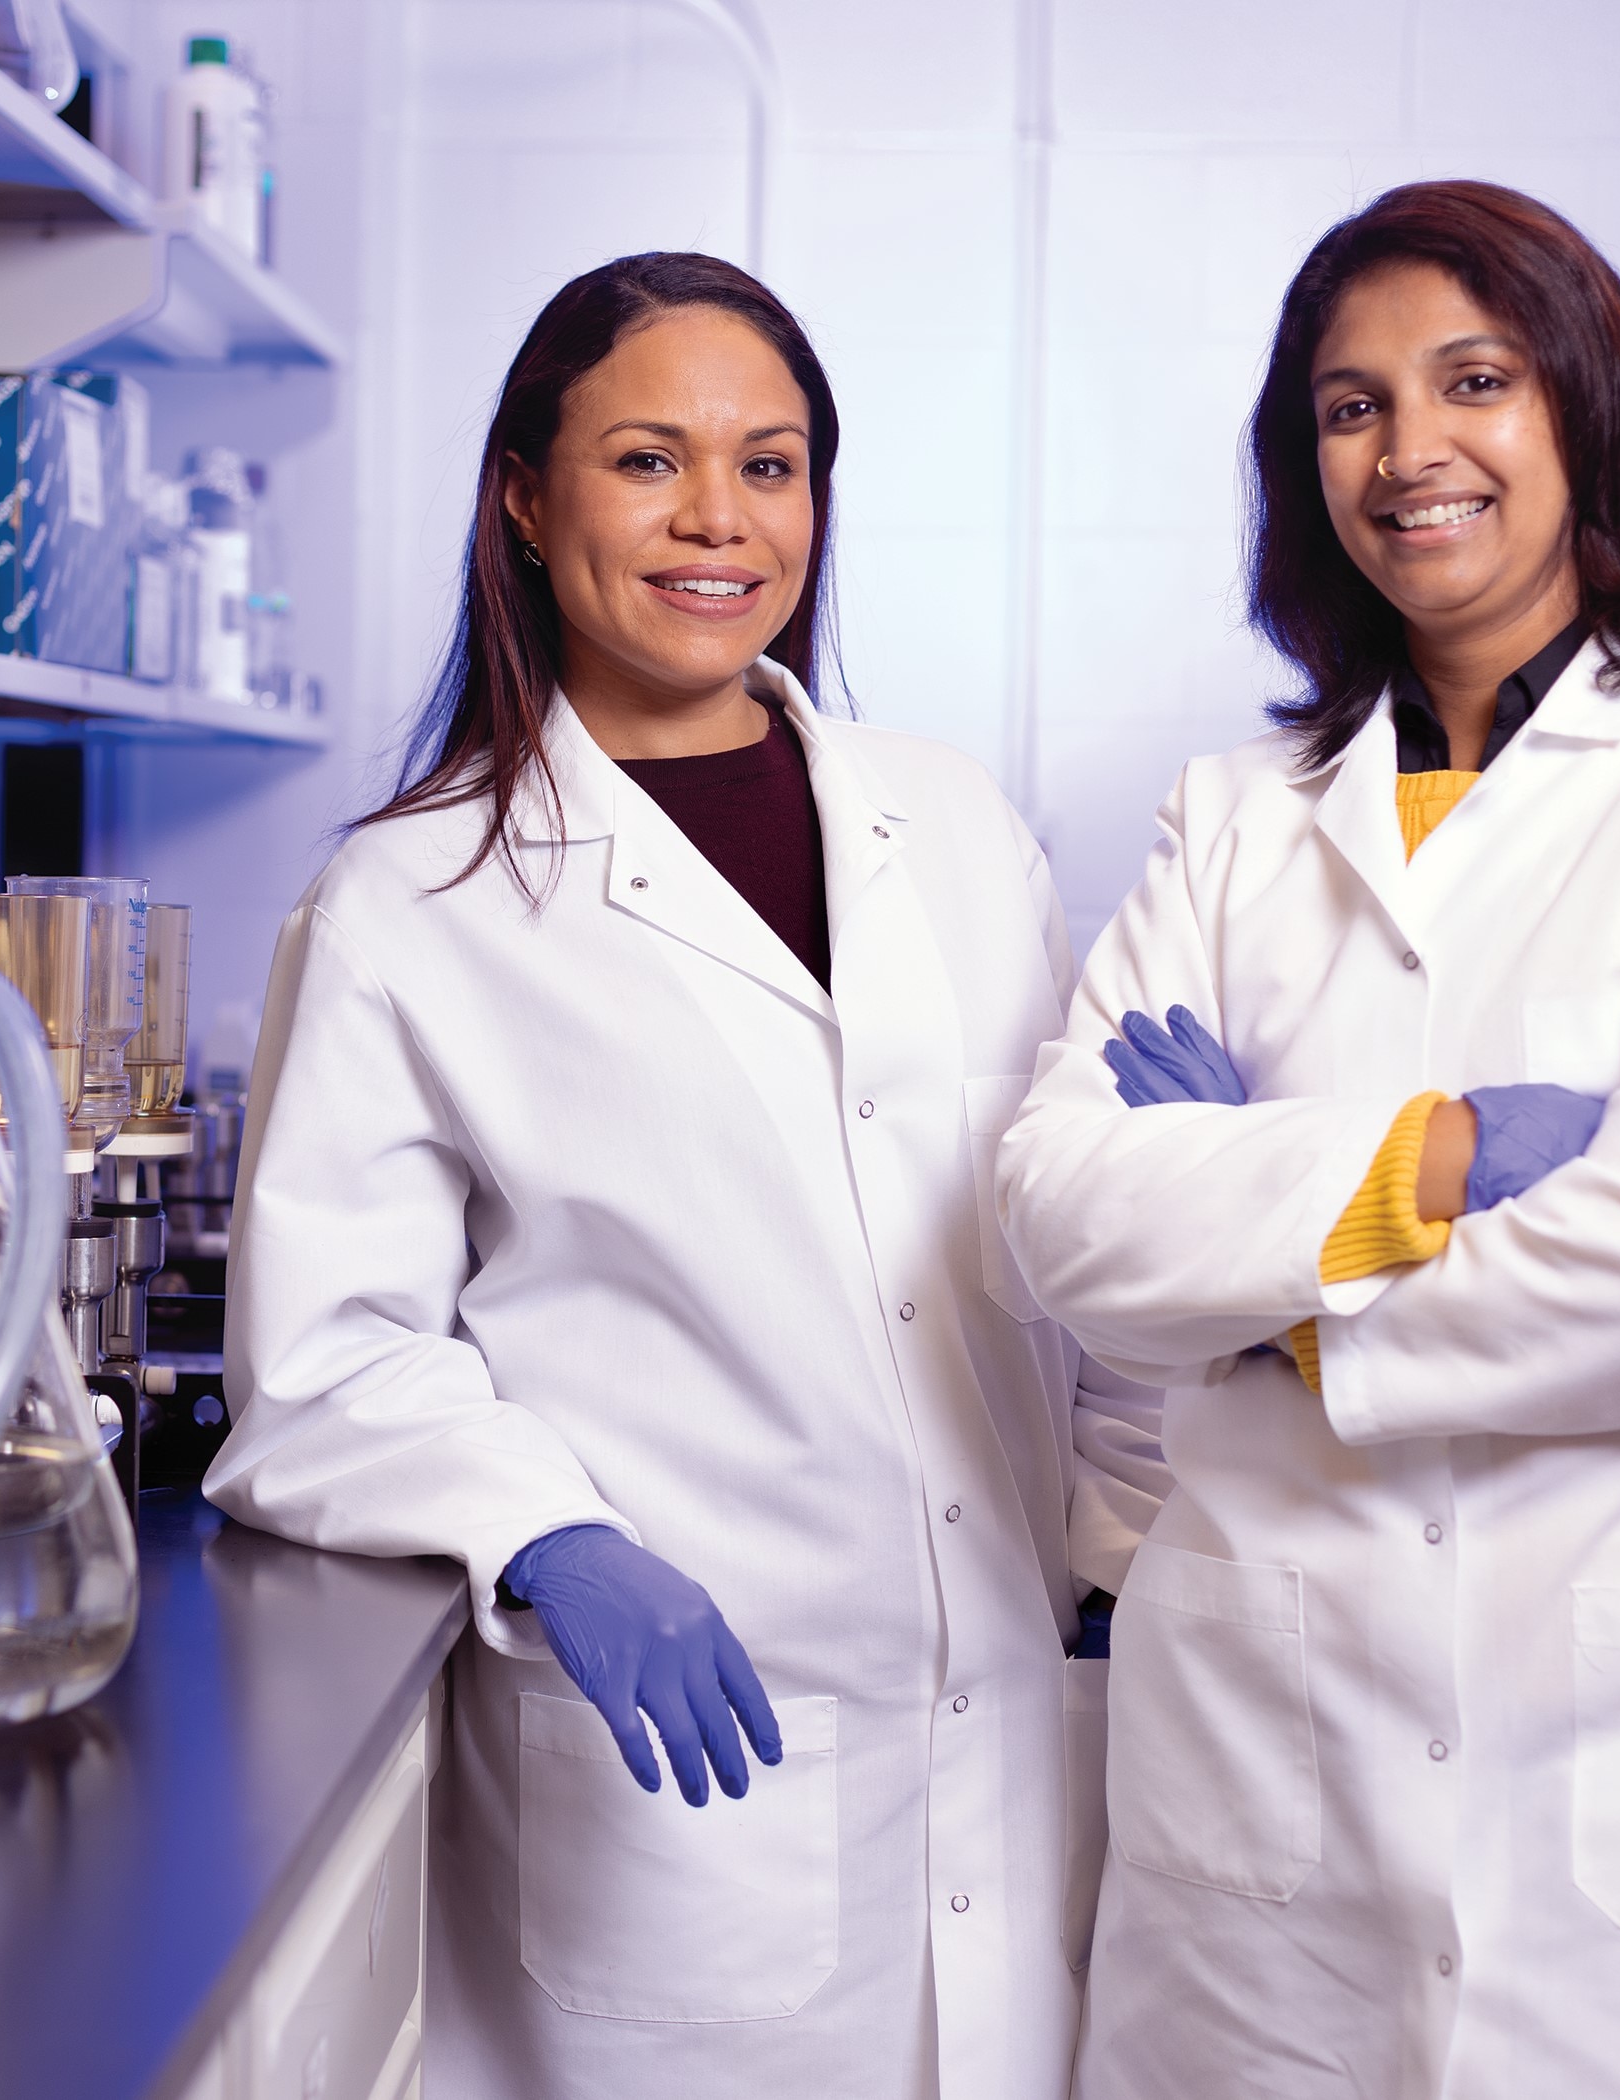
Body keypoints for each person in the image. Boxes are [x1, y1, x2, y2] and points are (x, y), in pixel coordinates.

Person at [997, 181, 1620, 2098]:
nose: (1411, 449)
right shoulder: (1235, 818)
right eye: (1351, 406)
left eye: (1477, 380)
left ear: (1588, 412)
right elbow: (1065, 1215)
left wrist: (1275, 1293)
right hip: (1280, 1794)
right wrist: (1437, 1165)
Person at [205, 251, 1166, 2100]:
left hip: (1012, 1759)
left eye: (773, 464)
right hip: (678, 1789)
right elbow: (330, 1361)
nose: (719, 520)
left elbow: (1063, 1249)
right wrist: (555, 1544)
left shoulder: (955, 827)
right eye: (648, 461)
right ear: (524, 493)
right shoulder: (412, 901)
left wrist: (1133, 1546)